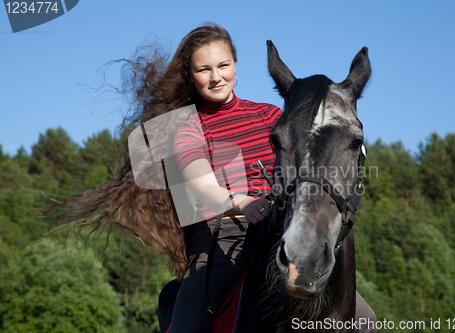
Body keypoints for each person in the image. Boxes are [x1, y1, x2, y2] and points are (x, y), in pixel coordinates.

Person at [47, 23, 376, 332]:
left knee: (364, 319)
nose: (216, 77)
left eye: (223, 65)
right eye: (204, 70)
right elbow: (203, 187)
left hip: (279, 227)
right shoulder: (187, 126)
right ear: (190, 76)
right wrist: (242, 204)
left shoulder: (271, 115)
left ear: (236, 65)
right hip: (221, 244)